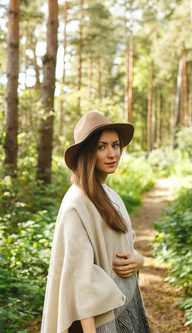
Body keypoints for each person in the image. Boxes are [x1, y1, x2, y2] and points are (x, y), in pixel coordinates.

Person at [41, 111, 150, 333]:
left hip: (124, 306)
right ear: (87, 152)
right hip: (97, 321)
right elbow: (80, 279)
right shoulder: (77, 202)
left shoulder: (110, 195)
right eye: (101, 147)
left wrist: (139, 260)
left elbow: (123, 245)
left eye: (115, 145)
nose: (112, 154)